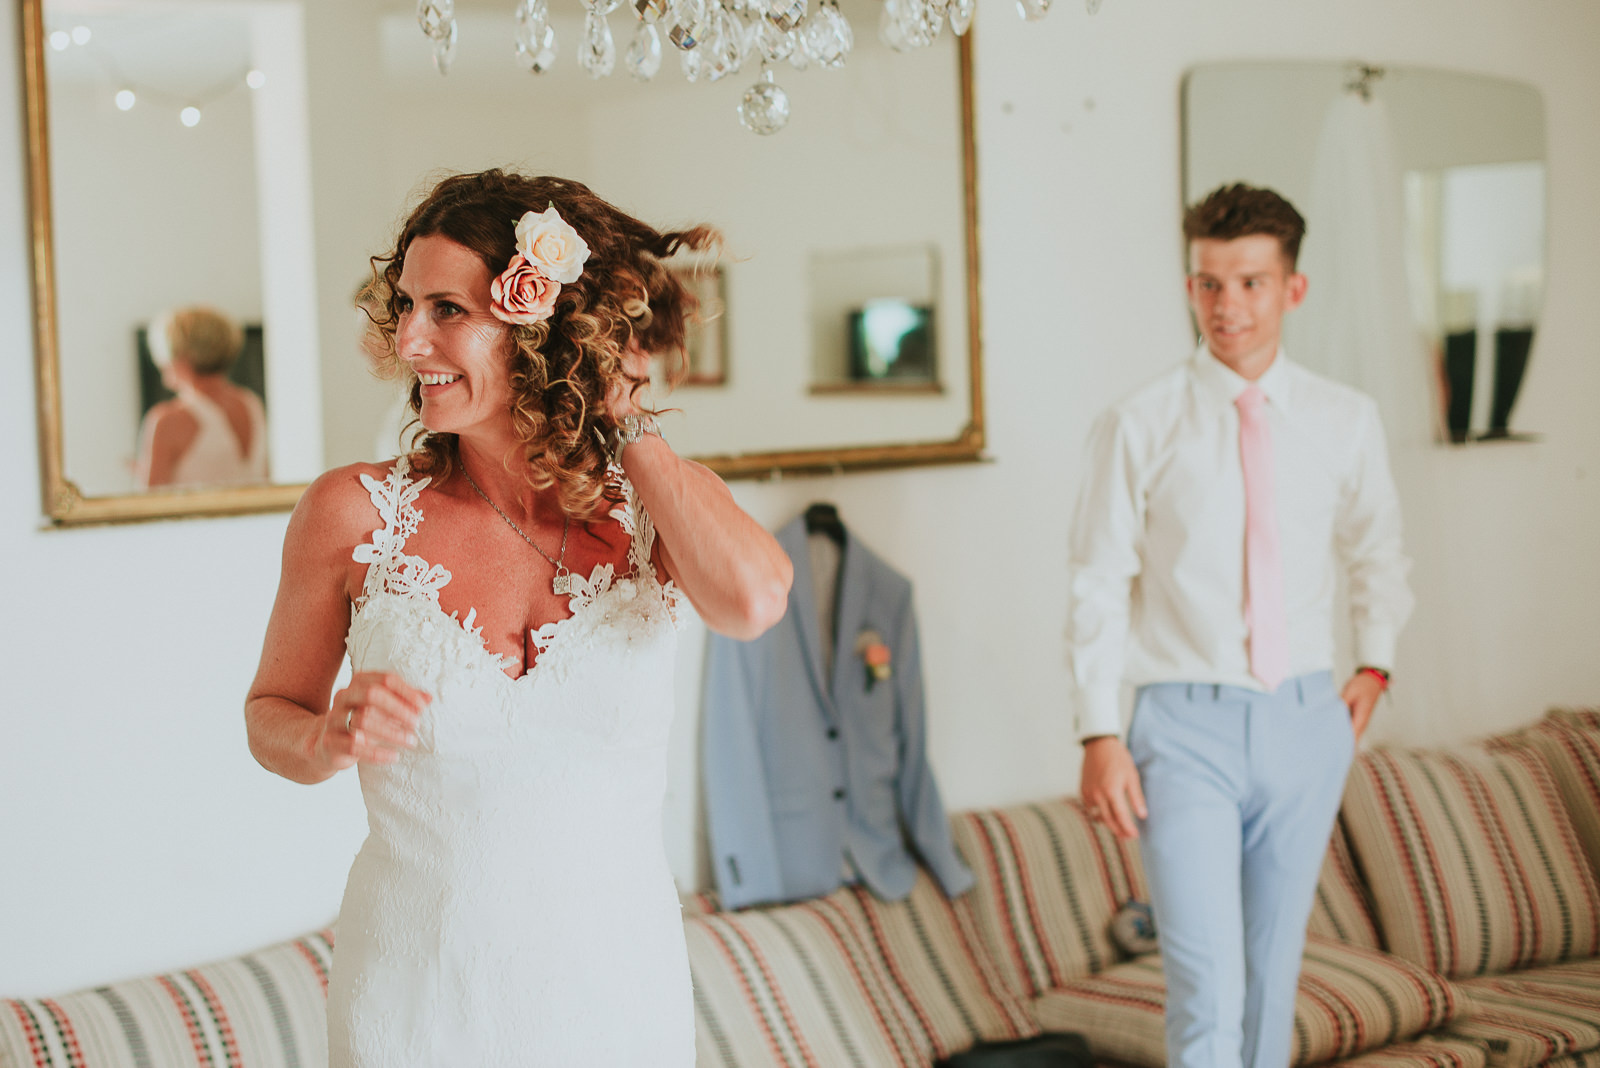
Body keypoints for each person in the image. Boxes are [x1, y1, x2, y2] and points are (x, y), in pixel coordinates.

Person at [244, 170, 793, 1066]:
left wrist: (626, 418)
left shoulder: (656, 512)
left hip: (616, 995)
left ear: (539, 330)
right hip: (414, 1000)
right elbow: (271, 712)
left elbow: (754, 600)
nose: (410, 340)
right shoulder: (351, 515)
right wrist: (322, 741)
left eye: (448, 310)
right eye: (407, 306)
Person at [1068, 183, 1413, 1068]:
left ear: (1292, 289)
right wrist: (1100, 730)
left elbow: (1378, 554)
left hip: (1307, 722)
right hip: (1183, 728)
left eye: (1251, 283)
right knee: (1206, 983)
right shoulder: (1138, 424)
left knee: (1271, 977)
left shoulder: (1347, 421)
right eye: (1211, 284)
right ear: (1191, 286)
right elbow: (1098, 581)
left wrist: (1373, 669)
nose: (1229, 307)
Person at [136, 306, 268, 488]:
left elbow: (148, 504)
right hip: (258, 516)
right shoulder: (251, 403)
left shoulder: (168, 419)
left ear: (179, 355)